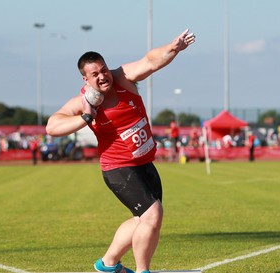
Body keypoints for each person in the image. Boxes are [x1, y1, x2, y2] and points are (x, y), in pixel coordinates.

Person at [46, 29, 196, 273]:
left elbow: (149, 62)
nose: (103, 76)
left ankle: (107, 264)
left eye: (103, 69)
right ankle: (142, 270)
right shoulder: (83, 102)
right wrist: (85, 117)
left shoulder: (123, 77)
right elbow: (52, 126)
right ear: (85, 79)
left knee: (141, 220)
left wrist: (173, 48)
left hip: (144, 164)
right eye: (95, 74)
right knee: (152, 215)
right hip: (118, 168)